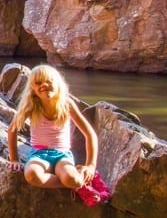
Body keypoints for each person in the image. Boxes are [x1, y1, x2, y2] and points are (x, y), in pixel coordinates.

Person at [6, 64, 105, 204]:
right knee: (31, 175)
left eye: (48, 81)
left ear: (58, 83)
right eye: (38, 83)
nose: (44, 85)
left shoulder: (66, 104)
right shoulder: (32, 106)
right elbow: (12, 129)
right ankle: (75, 187)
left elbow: (90, 134)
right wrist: (14, 159)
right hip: (38, 154)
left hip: (62, 154)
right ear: (33, 90)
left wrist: (90, 165)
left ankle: (76, 183)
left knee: (74, 179)